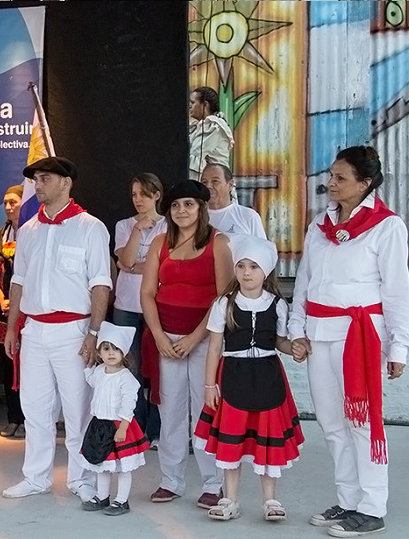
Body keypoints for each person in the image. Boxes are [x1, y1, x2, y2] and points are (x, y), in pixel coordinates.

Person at [289, 146, 409, 538]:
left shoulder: (386, 226)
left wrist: (398, 345)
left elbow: (397, 291)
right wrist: (297, 329)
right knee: (330, 423)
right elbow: (305, 282)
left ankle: (371, 507)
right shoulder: (319, 225)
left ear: (365, 183)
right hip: (320, 334)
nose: (331, 182)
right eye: (332, 174)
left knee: (361, 422)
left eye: (341, 177)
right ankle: (347, 500)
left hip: (359, 336)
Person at [1, 156, 112, 504]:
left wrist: (93, 333)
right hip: (34, 330)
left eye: (45, 178)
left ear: (66, 183)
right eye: (36, 179)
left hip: (73, 331)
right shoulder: (28, 228)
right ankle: (36, 477)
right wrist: (11, 328)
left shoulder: (90, 227)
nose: (38, 184)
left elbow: (101, 284)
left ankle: (82, 479)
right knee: (34, 408)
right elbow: (18, 281)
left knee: (78, 409)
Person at [194, 235, 304, 522]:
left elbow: (278, 341)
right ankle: (229, 498)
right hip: (233, 377)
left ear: (265, 271)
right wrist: (209, 385)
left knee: (267, 441)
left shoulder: (277, 304)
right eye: (241, 266)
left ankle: (270, 499)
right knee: (232, 442)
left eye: (253, 267)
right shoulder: (224, 304)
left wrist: (293, 348)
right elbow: (215, 347)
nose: (246, 272)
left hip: (268, 377)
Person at [140, 179, 232, 509]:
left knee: (206, 411)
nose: (182, 210)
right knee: (171, 412)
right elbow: (147, 293)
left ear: (201, 208)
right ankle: (171, 480)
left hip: (205, 340)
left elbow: (223, 297)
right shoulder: (160, 242)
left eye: (189, 204)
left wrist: (196, 337)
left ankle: (213, 483)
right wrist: (161, 336)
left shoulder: (218, 243)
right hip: (166, 340)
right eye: (176, 205)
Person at [113, 173, 166, 443]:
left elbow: (164, 267)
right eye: (134, 195)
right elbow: (126, 258)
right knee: (129, 368)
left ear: (156, 194)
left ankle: (156, 430)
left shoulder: (169, 226)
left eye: (143, 194)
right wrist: (137, 230)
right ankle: (135, 428)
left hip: (156, 304)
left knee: (157, 369)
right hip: (125, 305)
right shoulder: (124, 225)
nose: (138, 200)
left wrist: (131, 267)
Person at [79, 322, 150, 517]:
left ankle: (121, 500)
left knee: (122, 468)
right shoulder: (99, 372)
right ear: (100, 352)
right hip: (99, 425)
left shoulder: (126, 378)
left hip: (119, 427)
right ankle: (102, 496)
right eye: (106, 348)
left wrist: (123, 427)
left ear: (124, 353)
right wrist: (88, 365)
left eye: (116, 349)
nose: (111, 353)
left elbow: (129, 403)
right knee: (101, 465)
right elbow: (91, 381)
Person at [0, 185, 25, 438]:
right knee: (9, 365)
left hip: (29, 312)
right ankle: (13, 418)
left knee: (29, 368)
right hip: (5, 311)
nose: (9, 207)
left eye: (14, 201)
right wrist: (1, 299)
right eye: (6, 203)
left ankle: (29, 421)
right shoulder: (0, 235)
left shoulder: (36, 232)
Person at [200, 163, 266, 239]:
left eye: (215, 181)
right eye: (204, 182)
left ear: (230, 185)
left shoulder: (248, 216)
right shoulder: (195, 217)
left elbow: (262, 249)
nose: (208, 186)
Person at [188, 86, 234, 183]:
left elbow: (196, 157)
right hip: (212, 181)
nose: (189, 105)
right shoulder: (200, 126)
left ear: (205, 105)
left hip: (216, 183)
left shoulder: (213, 126)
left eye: (193, 102)